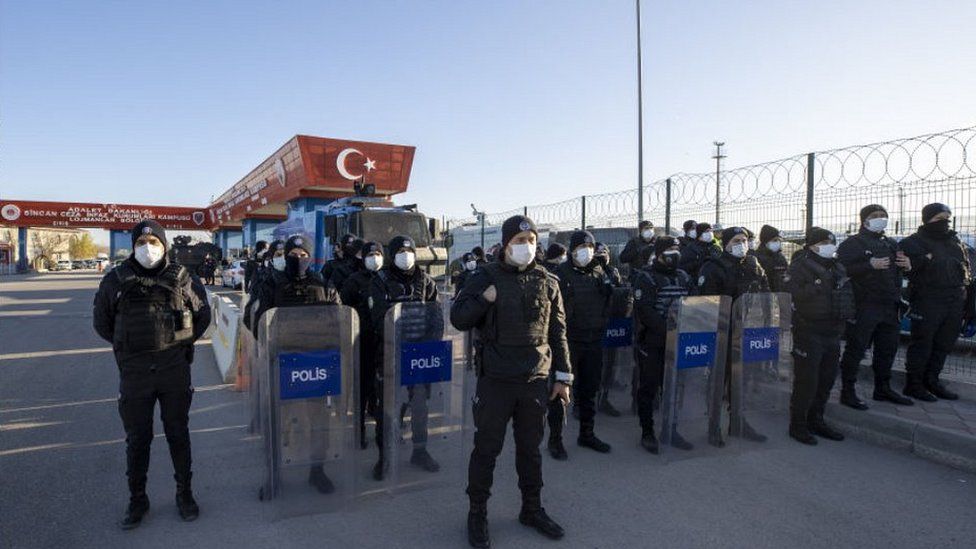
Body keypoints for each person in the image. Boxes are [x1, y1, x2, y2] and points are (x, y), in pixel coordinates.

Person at [451, 215, 571, 547]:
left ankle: (531, 509)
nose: (526, 247)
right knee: (487, 449)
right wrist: (484, 299)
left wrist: (563, 377)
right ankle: (477, 513)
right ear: (505, 245)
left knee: (530, 450)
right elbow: (459, 318)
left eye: (531, 240)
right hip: (496, 382)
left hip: (535, 379)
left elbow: (559, 333)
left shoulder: (548, 281)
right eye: (519, 242)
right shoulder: (483, 278)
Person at [92, 220, 211, 529]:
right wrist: (130, 347)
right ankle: (137, 499)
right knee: (138, 439)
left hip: (174, 370)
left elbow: (202, 315)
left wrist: (178, 344)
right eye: (142, 241)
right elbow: (103, 324)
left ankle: (185, 494)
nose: (148, 247)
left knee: (178, 434)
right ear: (133, 246)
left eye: (154, 241)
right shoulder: (115, 280)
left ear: (164, 245)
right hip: (135, 372)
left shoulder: (184, 279)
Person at [251, 235, 341, 493]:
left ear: (310, 257)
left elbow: (338, 320)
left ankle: (317, 470)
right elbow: (256, 321)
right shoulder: (271, 284)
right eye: (293, 255)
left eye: (303, 255)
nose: (298, 259)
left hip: (316, 364)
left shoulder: (323, 284)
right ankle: (274, 474)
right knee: (278, 422)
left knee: (319, 422)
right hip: (284, 364)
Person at [368, 235, 440, 480]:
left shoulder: (427, 282)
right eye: (400, 250)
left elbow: (436, 318)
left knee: (420, 406)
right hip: (390, 353)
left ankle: (420, 451)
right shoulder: (380, 281)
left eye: (409, 250)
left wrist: (429, 349)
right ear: (392, 254)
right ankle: (384, 457)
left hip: (420, 356)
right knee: (386, 408)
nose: (406, 255)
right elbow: (378, 318)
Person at [836, 205, 914, 409]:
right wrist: (868, 264)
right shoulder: (851, 244)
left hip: (890, 305)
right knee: (856, 350)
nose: (880, 219)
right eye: (874, 216)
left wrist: (907, 265)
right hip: (864, 306)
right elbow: (840, 271)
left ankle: (883, 388)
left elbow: (898, 272)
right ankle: (848, 391)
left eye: (883, 216)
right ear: (864, 220)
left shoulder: (890, 243)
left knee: (887, 350)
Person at [699, 226, 770, 444]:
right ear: (726, 243)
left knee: (742, 379)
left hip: (747, 329)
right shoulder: (713, 267)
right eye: (737, 241)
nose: (742, 244)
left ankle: (738, 422)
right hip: (722, 330)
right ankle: (713, 426)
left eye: (745, 240)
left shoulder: (753, 264)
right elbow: (706, 301)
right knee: (719, 381)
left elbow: (765, 291)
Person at [786, 227, 855, 445]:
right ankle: (797, 425)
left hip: (833, 331)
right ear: (812, 245)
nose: (830, 246)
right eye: (825, 242)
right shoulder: (800, 266)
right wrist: (817, 285)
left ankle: (816, 420)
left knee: (826, 379)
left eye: (832, 242)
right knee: (807, 381)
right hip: (809, 330)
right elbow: (792, 294)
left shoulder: (837, 266)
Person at [898, 203, 973, 401]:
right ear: (927, 219)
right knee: (922, 344)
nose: (945, 222)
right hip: (928, 299)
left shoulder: (955, 242)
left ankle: (932, 381)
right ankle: (913, 385)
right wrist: (924, 261)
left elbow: (964, 268)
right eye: (939, 218)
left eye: (948, 217)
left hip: (954, 300)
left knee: (944, 344)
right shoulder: (912, 242)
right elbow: (908, 269)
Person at [632, 236, 695, 453]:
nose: (675, 253)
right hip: (653, 342)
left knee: (674, 388)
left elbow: (694, 304)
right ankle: (647, 432)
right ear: (659, 254)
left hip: (680, 342)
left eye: (677, 248)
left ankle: (671, 428)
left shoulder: (683, 276)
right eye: (670, 249)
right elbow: (647, 312)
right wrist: (669, 331)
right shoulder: (647, 278)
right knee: (649, 387)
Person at [554, 231, 613, 458]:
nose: (587, 250)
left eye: (590, 245)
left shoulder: (599, 272)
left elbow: (607, 302)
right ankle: (555, 439)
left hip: (594, 339)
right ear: (572, 249)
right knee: (560, 392)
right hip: (569, 342)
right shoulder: (561, 273)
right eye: (582, 246)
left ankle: (586, 434)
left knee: (589, 389)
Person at [340, 241, 386, 449]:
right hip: (362, 343)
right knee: (362, 390)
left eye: (378, 254)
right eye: (370, 254)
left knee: (383, 392)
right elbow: (344, 311)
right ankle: (358, 432)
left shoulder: (388, 279)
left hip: (385, 342)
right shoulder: (354, 281)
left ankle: (383, 432)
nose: (374, 257)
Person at [594, 242, 625, 417]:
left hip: (612, 323)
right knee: (591, 365)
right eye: (598, 252)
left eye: (604, 252)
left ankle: (604, 398)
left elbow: (620, 292)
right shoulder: (588, 272)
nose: (601, 255)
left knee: (610, 363)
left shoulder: (613, 271)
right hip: (593, 325)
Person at [242, 239, 285, 332]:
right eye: (279, 255)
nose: (283, 258)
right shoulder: (263, 280)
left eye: (286, 255)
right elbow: (249, 317)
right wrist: (262, 335)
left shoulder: (305, 280)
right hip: (271, 335)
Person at [755, 225, 789, 293]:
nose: (778, 243)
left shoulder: (781, 257)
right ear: (766, 241)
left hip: (781, 296)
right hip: (765, 297)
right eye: (775, 240)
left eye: (779, 240)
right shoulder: (757, 258)